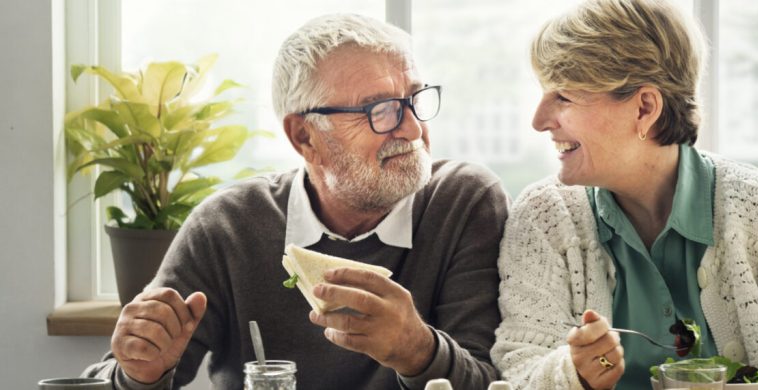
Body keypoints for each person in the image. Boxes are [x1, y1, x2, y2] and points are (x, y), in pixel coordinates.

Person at [490, 0, 758, 389]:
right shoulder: (543, 218)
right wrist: (574, 374)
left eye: (563, 97)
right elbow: (518, 371)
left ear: (644, 107)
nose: (539, 119)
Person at [83, 14, 508, 390]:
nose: (413, 130)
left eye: (414, 99)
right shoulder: (228, 226)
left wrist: (418, 350)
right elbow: (117, 375)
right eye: (381, 110)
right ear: (304, 136)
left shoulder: (464, 203)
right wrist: (137, 374)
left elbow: (498, 383)